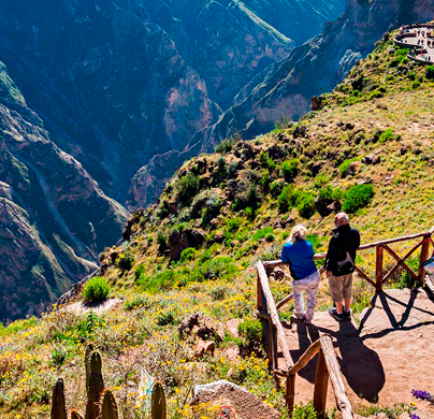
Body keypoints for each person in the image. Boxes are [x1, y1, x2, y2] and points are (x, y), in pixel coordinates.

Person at [324, 213, 361, 321]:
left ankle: (339, 313)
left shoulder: (336, 237)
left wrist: (328, 268)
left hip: (337, 269)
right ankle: (347, 310)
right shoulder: (354, 233)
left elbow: (331, 255)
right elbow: (357, 245)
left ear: (337, 223)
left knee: (336, 290)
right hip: (349, 266)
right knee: (347, 289)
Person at [281, 225, 320, 324]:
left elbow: (284, 259)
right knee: (312, 298)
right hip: (313, 275)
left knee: (297, 296)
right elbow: (312, 254)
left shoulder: (287, 247)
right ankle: (309, 318)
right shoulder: (308, 244)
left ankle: (299, 314)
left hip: (299, 278)